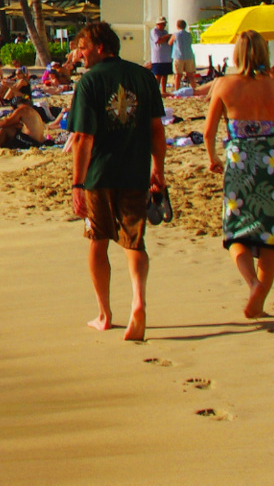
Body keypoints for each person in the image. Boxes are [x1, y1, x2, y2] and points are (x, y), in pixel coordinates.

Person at [204, 29, 274, 319]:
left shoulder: (223, 85)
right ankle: (260, 299)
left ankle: (252, 283)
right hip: (272, 163)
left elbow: (208, 132)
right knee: (271, 235)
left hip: (239, 161)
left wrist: (213, 158)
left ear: (237, 54)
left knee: (236, 231)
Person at [66, 21, 165, 341]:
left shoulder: (89, 83)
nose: (78, 54)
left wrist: (77, 184)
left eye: (82, 47)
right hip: (135, 171)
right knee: (134, 240)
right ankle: (138, 301)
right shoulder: (144, 77)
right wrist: (158, 169)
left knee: (98, 240)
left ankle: (105, 314)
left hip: (99, 175)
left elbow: (82, 137)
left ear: (98, 46)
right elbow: (157, 129)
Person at [147, 18, 174, 97]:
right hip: (158, 58)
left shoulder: (165, 32)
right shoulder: (154, 31)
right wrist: (168, 36)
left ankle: (163, 90)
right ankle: (155, 90)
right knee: (158, 75)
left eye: (164, 24)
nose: (163, 25)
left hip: (166, 57)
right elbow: (159, 40)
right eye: (162, 24)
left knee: (165, 75)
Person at [172, 19, 196, 87]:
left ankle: (177, 89)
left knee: (178, 75)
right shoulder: (189, 34)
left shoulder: (176, 34)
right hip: (189, 55)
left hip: (178, 56)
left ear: (177, 26)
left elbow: (170, 42)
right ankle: (194, 89)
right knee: (190, 75)